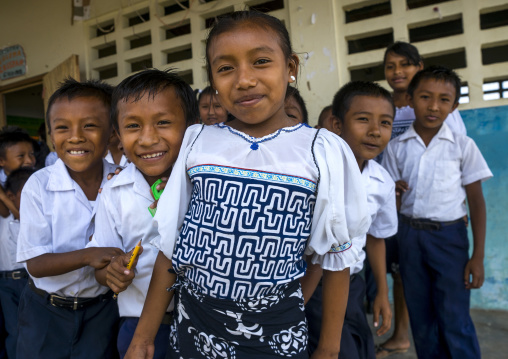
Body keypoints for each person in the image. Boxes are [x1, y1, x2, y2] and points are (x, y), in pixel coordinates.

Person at [126, 11, 370, 359]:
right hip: (195, 324)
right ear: (211, 78)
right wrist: (143, 338)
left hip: (275, 331)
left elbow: (334, 254)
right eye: (225, 68)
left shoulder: (322, 150)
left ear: (291, 67)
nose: (244, 80)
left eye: (260, 62)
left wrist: (329, 348)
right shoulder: (197, 142)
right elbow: (171, 245)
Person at [382, 66, 492, 359]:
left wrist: (477, 256)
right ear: (409, 98)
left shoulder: (462, 146)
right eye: (425, 97)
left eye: (444, 100)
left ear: (454, 106)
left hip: (450, 239)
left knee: (454, 317)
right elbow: (388, 202)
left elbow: (477, 201)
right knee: (422, 319)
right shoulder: (396, 148)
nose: (433, 106)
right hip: (409, 237)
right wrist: (393, 192)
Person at [89, 68, 198, 359]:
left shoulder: (207, 183)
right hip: (139, 327)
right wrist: (110, 272)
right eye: (133, 126)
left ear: (192, 126)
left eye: (163, 122)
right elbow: (101, 262)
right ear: (118, 134)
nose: (147, 139)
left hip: (208, 325)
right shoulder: (114, 192)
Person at [16, 79, 124, 358]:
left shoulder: (123, 183)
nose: (75, 137)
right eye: (63, 127)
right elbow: (37, 264)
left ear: (112, 131)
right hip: (45, 311)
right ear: (51, 136)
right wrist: (88, 255)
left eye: (89, 125)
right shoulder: (39, 186)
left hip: (101, 310)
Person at [374, 42, 467, 357]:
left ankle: (403, 334)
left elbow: (455, 159)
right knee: (402, 274)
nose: (397, 72)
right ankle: (402, 334)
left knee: (442, 300)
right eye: (390, 66)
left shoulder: (435, 107)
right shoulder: (384, 104)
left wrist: (458, 207)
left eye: (405, 64)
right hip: (395, 204)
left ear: (420, 67)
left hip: (432, 212)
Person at [305, 81, 397, 359]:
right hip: (311, 282)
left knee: (359, 346)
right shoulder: (313, 173)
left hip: (353, 283)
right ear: (336, 124)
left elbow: (376, 238)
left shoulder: (382, 182)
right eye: (363, 120)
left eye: (385, 123)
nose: (374, 131)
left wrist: (382, 292)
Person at [0, 168, 34, 358]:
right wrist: (7, 202)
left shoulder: (34, 217)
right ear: (11, 195)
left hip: (28, 279)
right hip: (5, 283)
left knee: (29, 330)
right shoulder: (4, 215)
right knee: (14, 332)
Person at [0, 127, 36, 219]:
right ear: (1, 161)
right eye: (21, 156)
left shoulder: (37, 179)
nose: (29, 160)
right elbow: (5, 213)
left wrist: (3, 197)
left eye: (31, 154)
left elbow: (26, 219)